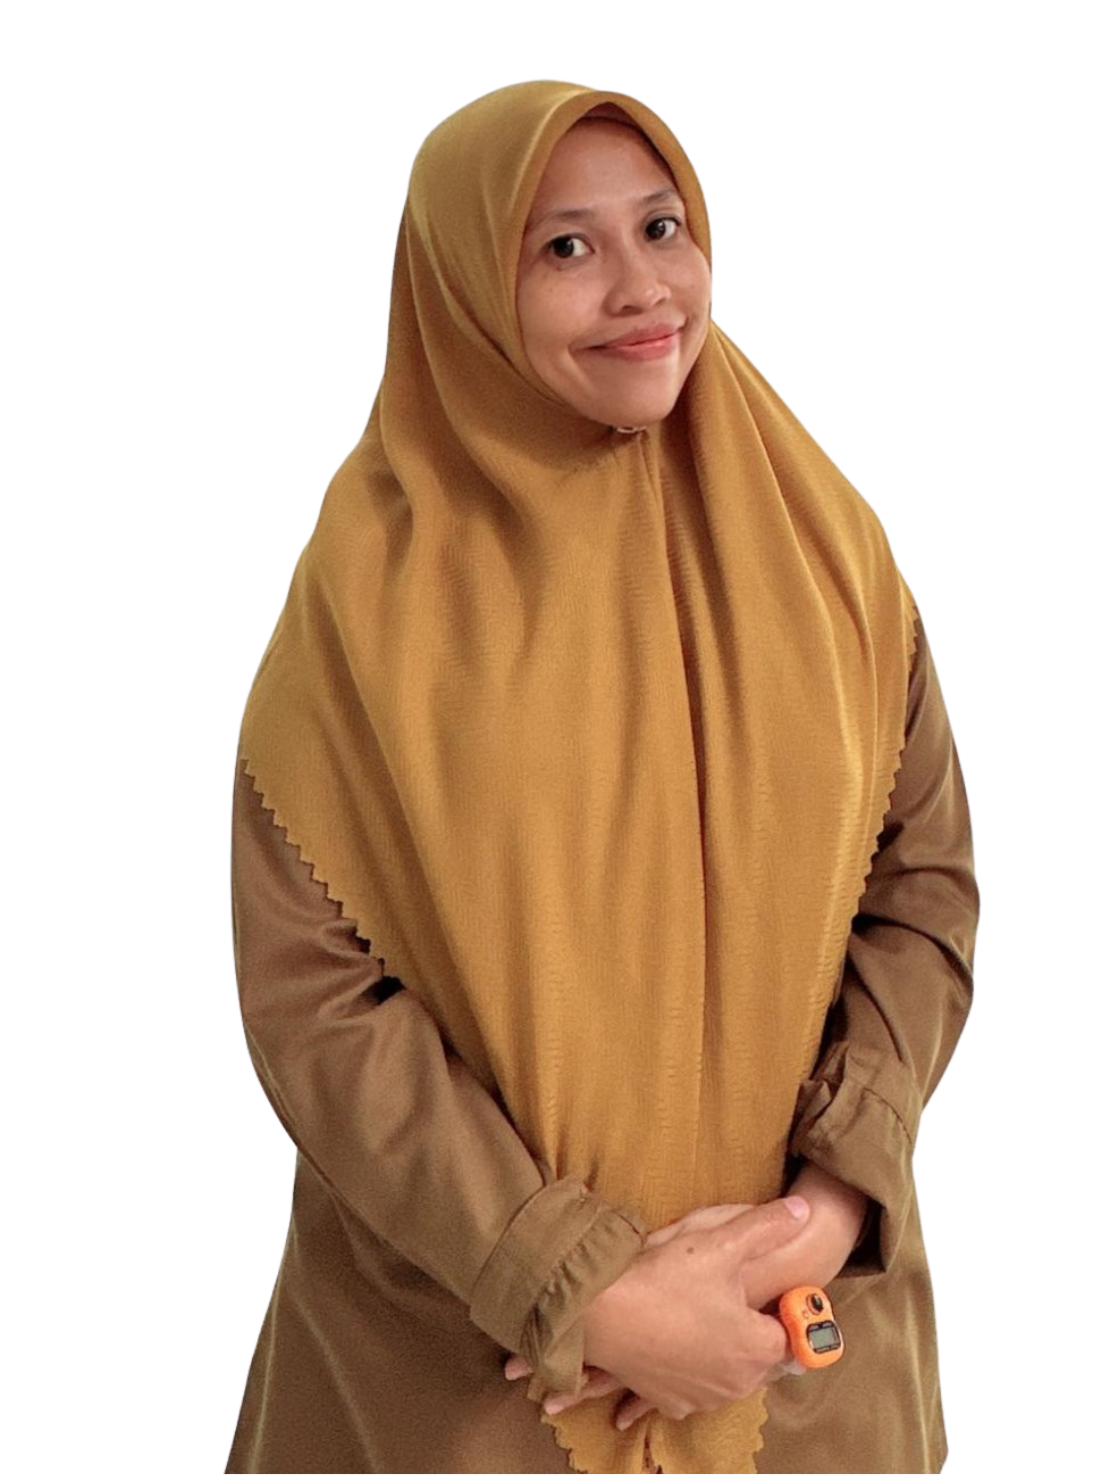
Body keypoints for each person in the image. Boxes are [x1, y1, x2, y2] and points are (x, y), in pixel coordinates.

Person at [226, 81, 977, 1475]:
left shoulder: (827, 551)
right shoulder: (371, 597)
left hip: (800, 1357)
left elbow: (921, 887)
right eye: (564, 247)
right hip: (467, 1386)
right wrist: (581, 1288)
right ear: (463, 288)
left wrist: (819, 1213)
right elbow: (315, 999)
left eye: (661, 227)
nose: (641, 287)